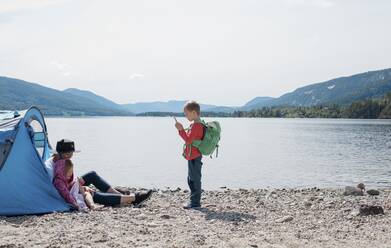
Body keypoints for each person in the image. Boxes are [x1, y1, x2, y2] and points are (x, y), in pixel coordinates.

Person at [47, 139, 152, 208]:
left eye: (71, 154)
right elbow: (60, 186)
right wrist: (78, 195)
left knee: (92, 175)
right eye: (70, 154)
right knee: (92, 194)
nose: (71, 156)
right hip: (67, 190)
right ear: (64, 153)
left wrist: (77, 184)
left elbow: (67, 178)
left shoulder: (58, 160)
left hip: (69, 184)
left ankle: (118, 194)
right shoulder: (57, 166)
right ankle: (134, 198)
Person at [174, 101, 205, 209]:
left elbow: (188, 141)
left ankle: (195, 203)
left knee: (194, 179)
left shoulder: (196, 125)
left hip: (194, 156)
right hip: (193, 156)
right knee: (191, 178)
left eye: (186, 114)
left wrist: (181, 130)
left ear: (193, 112)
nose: (185, 116)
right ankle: (194, 200)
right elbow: (190, 139)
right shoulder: (196, 124)